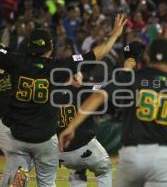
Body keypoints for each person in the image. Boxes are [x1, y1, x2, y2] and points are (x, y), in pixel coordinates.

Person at [0, 14, 126, 186]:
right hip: (45, 139)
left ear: (28, 45)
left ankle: (18, 173)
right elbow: (96, 54)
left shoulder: (15, 60)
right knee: (47, 181)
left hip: (17, 135)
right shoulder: (59, 67)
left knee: (13, 176)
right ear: (50, 48)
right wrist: (114, 35)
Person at [59, 38, 167, 187]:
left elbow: (99, 96)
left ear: (148, 57)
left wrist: (72, 126)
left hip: (133, 153)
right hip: (164, 156)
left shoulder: (131, 78)